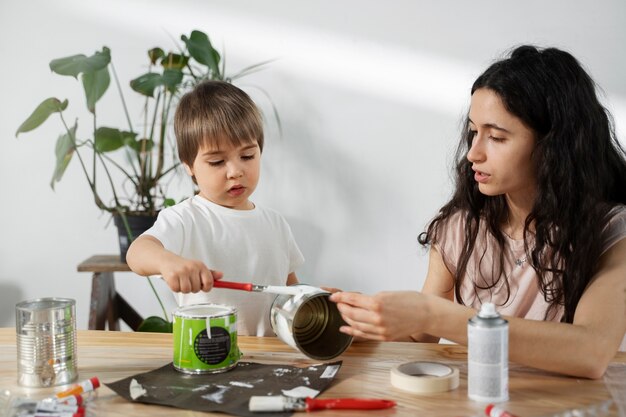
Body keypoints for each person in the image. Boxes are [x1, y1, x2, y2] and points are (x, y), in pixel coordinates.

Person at [330, 45, 626, 379]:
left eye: (497, 137)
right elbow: (418, 338)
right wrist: (359, 317)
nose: (473, 153)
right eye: (474, 132)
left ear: (553, 146)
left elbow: (591, 352)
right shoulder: (460, 229)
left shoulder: (611, 232)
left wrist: (433, 314)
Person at [126, 81, 304, 336]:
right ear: (189, 165)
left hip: (272, 359)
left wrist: (317, 300)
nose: (235, 172)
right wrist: (167, 261)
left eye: (247, 156)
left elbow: (290, 293)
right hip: (208, 359)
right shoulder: (184, 219)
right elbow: (137, 253)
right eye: (217, 161)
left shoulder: (276, 224)